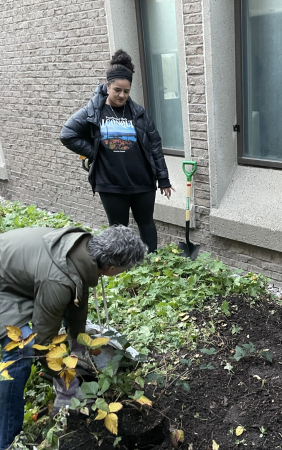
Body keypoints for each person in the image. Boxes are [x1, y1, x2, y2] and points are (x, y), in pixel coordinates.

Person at [0, 225, 146, 450]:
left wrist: (78, 347)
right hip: (4, 287)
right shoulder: (58, 280)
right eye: (123, 270)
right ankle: (8, 441)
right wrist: (66, 380)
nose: (122, 273)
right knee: (22, 349)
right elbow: (43, 340)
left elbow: (77, 301)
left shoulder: (82, 250)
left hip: (12, 277)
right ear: (111, 267)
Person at [60, 49, 174, 253]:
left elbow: (154, 144)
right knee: (118, 230)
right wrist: (95, 152)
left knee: (146, 223)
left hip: (143, 182)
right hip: (111, 184)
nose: (122, 95)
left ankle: (151, 266)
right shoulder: (93, 111)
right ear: (107, 86)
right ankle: (122, 271)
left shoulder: (138, 112)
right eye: (117, 90)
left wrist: (163, 178)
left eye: (126, 91)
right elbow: (68, 134)